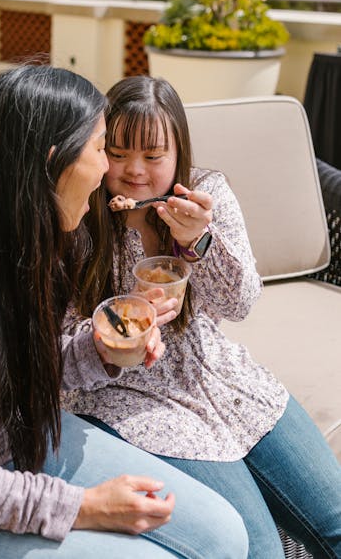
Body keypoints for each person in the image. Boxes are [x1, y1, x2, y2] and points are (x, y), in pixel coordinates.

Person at [0, 64, 249, 559]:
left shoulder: (38, 232)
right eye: (104, 148)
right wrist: (84, 506)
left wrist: (101, 348)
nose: (112, 170)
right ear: (53, 158)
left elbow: (31, 366)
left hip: (20, 439)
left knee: (226, 537)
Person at [62, 74, 341, 559]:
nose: (134, 171)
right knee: (260, 550)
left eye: (153, 156)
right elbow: (59, 340)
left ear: (178, 153)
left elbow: (238, 304)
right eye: (119, 152)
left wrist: (198, 241)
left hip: (224, 377)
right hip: (130, 398)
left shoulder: (206, 195)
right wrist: (125, 318)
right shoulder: (78, 213)